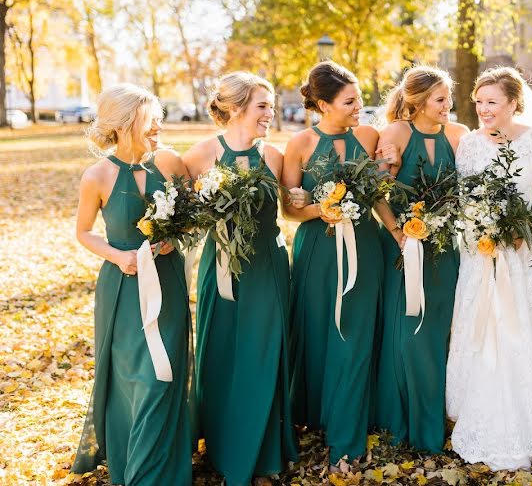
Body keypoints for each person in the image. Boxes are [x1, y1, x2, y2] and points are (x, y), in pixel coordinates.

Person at [445, 66, 532, 470]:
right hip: (481, 254)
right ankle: (481, 422)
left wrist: (525, 221)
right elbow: (464, 200)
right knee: (483, 330)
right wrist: (482, 229)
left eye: (492, 103)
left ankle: (524, 430)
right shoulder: (468, 144)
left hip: (523, 254)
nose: (484, 110)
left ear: (513, 104)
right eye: (479, 103)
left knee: (520, 330)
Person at [72, 84, 192, 484]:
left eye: (159, 116)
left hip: (168, 282)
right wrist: (118, 256)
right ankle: (132, 471)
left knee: (164, 375)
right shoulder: (98, 175)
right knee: (132, 379)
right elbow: (84, 232)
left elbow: (192, 216)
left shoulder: (171, 163)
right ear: (124, 124)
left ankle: (162, 472)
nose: (159, 125)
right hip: (122, 288)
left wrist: (174, 238)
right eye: (150, 118)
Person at [183, 72, 297, 485]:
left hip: (267, 266)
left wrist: (305, 200)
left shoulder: (275, 156)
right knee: (222, 352)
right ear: (235, 108)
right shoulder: (198, 156)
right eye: (263, 105)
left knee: (263, 352)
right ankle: (222, 444)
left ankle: (264, 448)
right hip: (221, 268)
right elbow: (185, 217)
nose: (271, 113)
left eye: (270, 105)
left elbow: (289, 208)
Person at [282, 61, 397, 467]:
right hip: (318, 251)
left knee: (356, 332)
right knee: (319, 332)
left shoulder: (369, 135)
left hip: (366, 246)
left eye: (360, 98)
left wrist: (397, 233)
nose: (359, 107)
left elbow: (379, 192)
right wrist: (319, 209)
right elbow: (290, 209)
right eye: (350, 101)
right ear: (324, 104)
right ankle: (318, 416)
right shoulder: (299, 145)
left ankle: (348, 433)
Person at [372, 66, 468, 453]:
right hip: (401, 249)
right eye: (441, 99)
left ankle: (435, 423)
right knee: (406, 335)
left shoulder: (459, 135)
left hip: (445, 250)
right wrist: (399, 232)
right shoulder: (394, 133)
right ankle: (402, 424)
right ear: (417, 101)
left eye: (449, 98)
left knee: (438, 333)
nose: (448, 105)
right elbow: (377, 189)